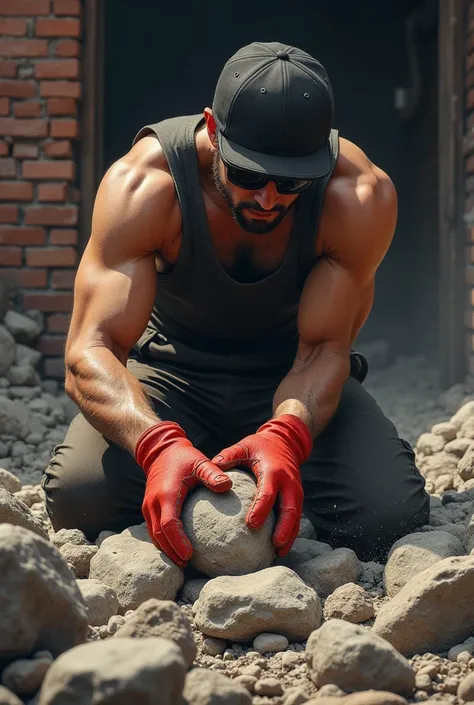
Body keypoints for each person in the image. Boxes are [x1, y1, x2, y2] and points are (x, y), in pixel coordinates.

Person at [42, 41, 429, 566]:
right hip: (171, 372)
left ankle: (269, 465)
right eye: (248, 174)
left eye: (291, 181)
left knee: (390, 517)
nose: (268, 199)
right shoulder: (145, 187)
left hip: (287, 372)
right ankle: (195, 459)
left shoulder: (357, 198)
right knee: (78, 500)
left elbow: (323, 350)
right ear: (212, 128)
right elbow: (91, 349)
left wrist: (287, 435)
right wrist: (156, 446)